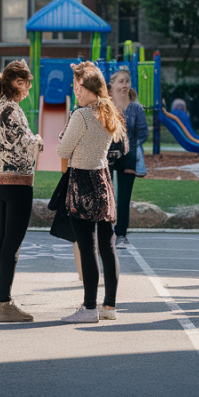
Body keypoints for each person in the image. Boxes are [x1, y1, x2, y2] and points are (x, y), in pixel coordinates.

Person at [56, 62, 125, 324]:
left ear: (91, 88)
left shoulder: (81, 115)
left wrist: (65, 138)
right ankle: (109, 306)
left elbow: (63, 150)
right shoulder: (109, 112)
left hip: (82, 182)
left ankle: (88, 308)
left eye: (79, 88)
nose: (77, 93)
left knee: (87, 248)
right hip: (103, 180)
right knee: (108, 247)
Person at [0, 60, 43, 323]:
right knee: (11, 245)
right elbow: (22, 144)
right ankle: (4, 303)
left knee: (1, 241)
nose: (28, 89)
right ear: (17, 82)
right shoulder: (10, 109)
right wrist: (38, 141)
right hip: (16, 180)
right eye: (26, 84)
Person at [107, 67, 148, 249]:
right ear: (112, 85)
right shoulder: (105, 106)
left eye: (127, 81)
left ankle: (121, 234)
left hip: (128, 157)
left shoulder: (136, 108)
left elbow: (143, 133)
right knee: (105, 195)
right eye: (121, 81)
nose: (125, 85)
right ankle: (105, 231)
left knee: (124, 197)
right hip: (105, 155)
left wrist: (128, 146)